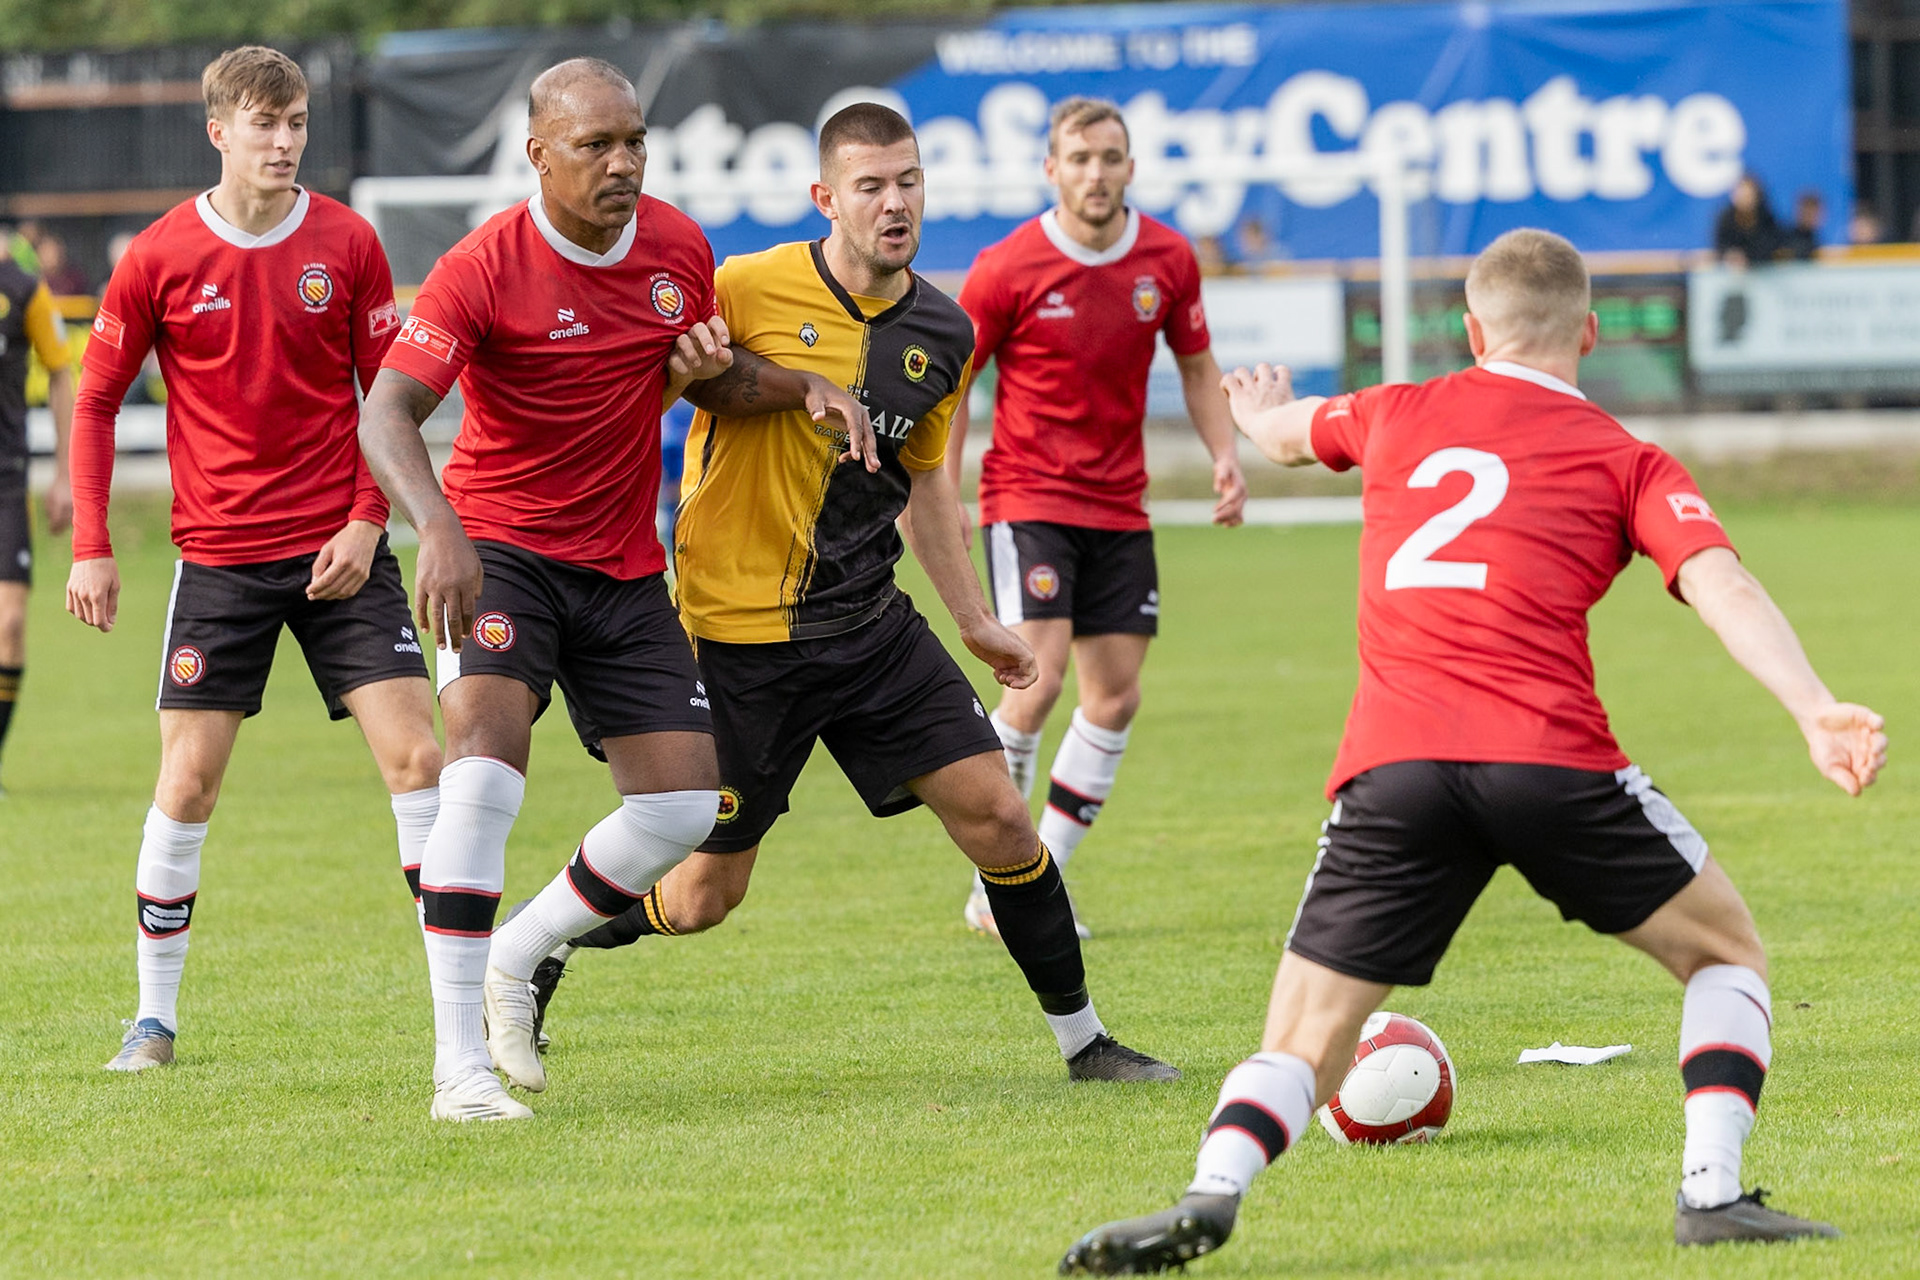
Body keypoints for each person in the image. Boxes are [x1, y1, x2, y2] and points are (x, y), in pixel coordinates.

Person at [1059, 228, 1886, 1274]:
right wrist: (1814, 707)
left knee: (1301, 1041)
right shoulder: (1628, 457)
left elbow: (1281, 434)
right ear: (1587, 330)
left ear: (1469, 328)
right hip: (1551, 759)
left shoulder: (1395, 410)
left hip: (1395, 767)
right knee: (1725, 954)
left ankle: (1211, 1190)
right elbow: (1723, 584)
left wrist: (1262, 409)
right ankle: (1712, 1191)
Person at [517, 103, 1179, 1088]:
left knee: (999, 816)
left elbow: (927, 480)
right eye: (870, 185)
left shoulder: (941, 328)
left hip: (872, 627)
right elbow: (647, 387)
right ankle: (542, 944)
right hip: (735, 638)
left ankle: (1086, 1042)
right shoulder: (744, 286)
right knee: (703, 895)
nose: (895, 201)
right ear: (826, 198)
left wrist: (973, 619)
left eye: (908, 180)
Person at [357, 57, 866, 1122]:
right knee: (485, 779)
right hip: (501, 553)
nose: (624, 162)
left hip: (627, 564)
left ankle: (519, 952)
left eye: (635, 140)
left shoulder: (680, 248)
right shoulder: (483, 266)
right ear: (539, 154)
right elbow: (388, 412)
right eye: (597, 145)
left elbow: (702, 370)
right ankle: (459, 1070)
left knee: (683, 803)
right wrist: (439, 530)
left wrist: (801, 386)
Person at [65, 46, 444, 1073]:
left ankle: (467, 1001)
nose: (284, 143)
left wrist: (370, 520)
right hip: (222, 561)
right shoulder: (157, 256)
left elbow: (390, 399)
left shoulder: (349, 242)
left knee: (419, 760)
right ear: (219, 131)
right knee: (186, 785)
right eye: (264, 123)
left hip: (344, 553)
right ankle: (152, 1019)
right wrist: (93, 544)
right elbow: (95, 401)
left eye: (298, 123)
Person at [949, 97, 1246, 939]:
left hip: (1121, 503)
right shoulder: (1007, 267)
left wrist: (1224, 452)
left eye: (1110, 157)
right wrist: (946, 488)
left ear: (1130, 166)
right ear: (1052, 169)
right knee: (1035, 679)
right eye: (1079, 158)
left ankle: (1040, 880)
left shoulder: (1167, 257)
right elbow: (956, 386)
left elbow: (1196, 365)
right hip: (1030, 495)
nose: (1095, 173)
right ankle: (1003, 877)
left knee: (1114, 699)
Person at [0, 248, 76, 794]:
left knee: (9, 625)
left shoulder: (23, 287)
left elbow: (60, 373)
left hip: (6, 481)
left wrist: (65, 476)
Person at [1712, 173, 1780, 266]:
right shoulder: (1726, 218)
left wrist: (1750, 256)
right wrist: (1731, 255)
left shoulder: (1765, 217)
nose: (1745, 198)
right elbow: (1720, 246)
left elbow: (1772, 245)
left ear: (1757, 195)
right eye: (1741, 194)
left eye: (1749, 195)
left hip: (1762, 269)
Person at [1777, 190, 1824, 261]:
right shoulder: (1786, 240)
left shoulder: (1816, 240)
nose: (1811, 216)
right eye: (1807, 212)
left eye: (1814, 213)